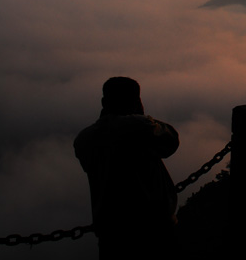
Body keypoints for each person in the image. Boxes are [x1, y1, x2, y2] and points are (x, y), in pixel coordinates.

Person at [74, 77, 180, 259]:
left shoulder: (84, 139)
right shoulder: (142, 127)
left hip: (111, 233)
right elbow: (171, 141)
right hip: (153, 230)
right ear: (137, 101)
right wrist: (142, 116)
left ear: (103, 102)